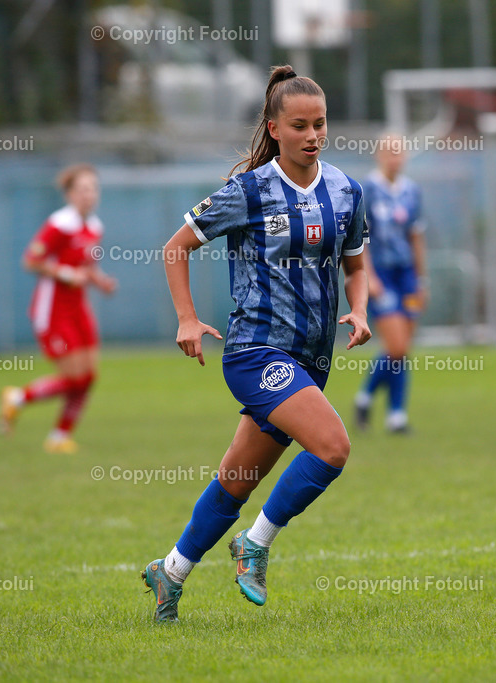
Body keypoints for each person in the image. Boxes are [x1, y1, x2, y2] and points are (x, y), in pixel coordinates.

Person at [141, 65, 371, 622]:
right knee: (333, 447)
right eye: (299, 125)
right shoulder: (248, 190)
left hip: (312, 360)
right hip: (256, 352)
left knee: (236, 480)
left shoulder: (345, 189)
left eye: (320, 124)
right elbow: (176, 248)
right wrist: (187, 319)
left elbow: (356, 262)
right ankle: (256, 543)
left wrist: (359, 307)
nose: (313, 135)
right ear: (273, 128)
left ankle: (169, 571)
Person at [0, 164, 117, 454]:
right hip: (53, 310)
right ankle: (18, 398)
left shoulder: (94, 227)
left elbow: (86, 267)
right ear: (69, 194)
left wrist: (99, 281)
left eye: (93, 188)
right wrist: (66, 274)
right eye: (82, 189)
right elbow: (31, 260)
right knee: (74, 377)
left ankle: (58, 436)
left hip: (78, 306)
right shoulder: (59, 224)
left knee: (88, 377)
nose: (89, 195)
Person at [353, 134, 427, 434]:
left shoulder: (412, 192)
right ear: (378, 155)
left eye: (399, 153)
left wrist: (422, 279)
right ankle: (391, 410)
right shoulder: (367, 190)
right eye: (389, 152)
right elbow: (359, 237)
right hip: (381, 274)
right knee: (395, 346)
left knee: (403, 347)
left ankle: (377, 404)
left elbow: (416, 237)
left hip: (407, 275)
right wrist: (367, 275)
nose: (395, 158)